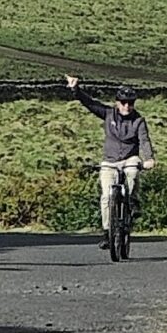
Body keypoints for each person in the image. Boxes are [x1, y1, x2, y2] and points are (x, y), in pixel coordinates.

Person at [65, 75, 154, 251]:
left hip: (130, 158)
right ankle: (107, 233)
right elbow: (89, 103)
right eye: (123, 102)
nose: (126, 106)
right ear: (117, 102)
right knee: (106, 197)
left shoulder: (139, 121)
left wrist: (149, 158)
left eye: (130, 103)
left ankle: (133, 201)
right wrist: (75, 89)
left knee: (133, 172)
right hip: (110, 161)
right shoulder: (108, 114)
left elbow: (144, 141)